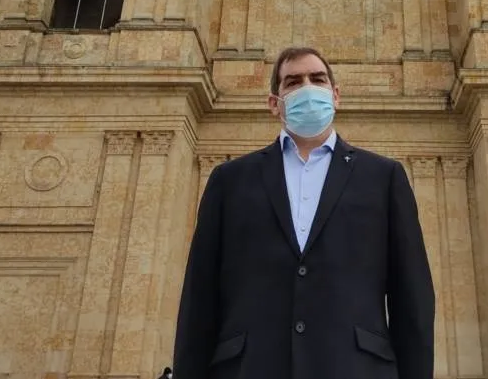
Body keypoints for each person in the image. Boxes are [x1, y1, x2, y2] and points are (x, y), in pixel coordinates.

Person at [173, 46, 435, 379]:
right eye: (293, 82)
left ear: (335, 95)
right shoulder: (230, 180)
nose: (307, 88)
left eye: (318, 79)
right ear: (274, 103)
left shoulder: (383, 177)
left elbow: (412, 296)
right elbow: (200, 297)